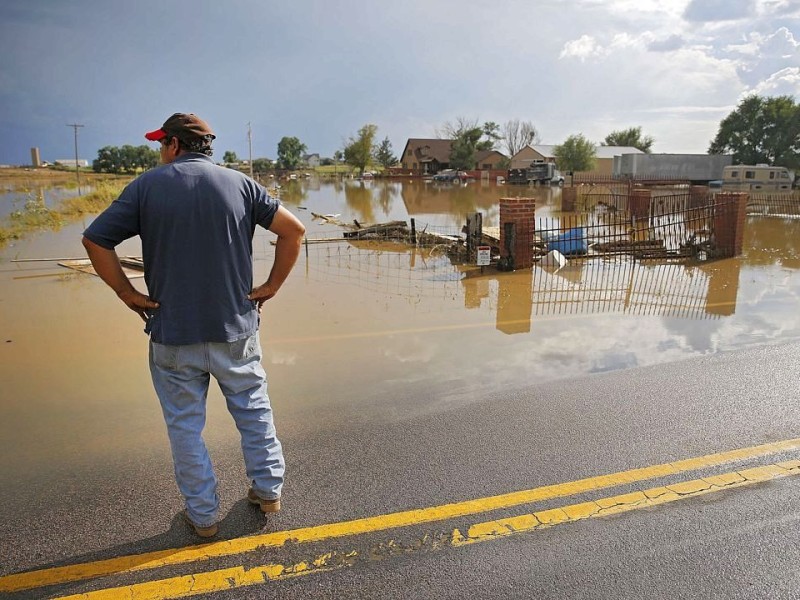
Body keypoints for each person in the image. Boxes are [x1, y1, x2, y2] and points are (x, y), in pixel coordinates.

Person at [82, 113, 305, 538]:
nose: (159, 152)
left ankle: (203, 517)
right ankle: (268, 491)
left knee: (185, 426)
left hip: (172, 332)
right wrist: (272, 285)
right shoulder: (240, 185)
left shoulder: (147, 186)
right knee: (253, 409)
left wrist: (126, 293)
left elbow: (95, 240)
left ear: (173, 145)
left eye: (160, 144)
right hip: (235, 327)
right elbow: (293, 231)